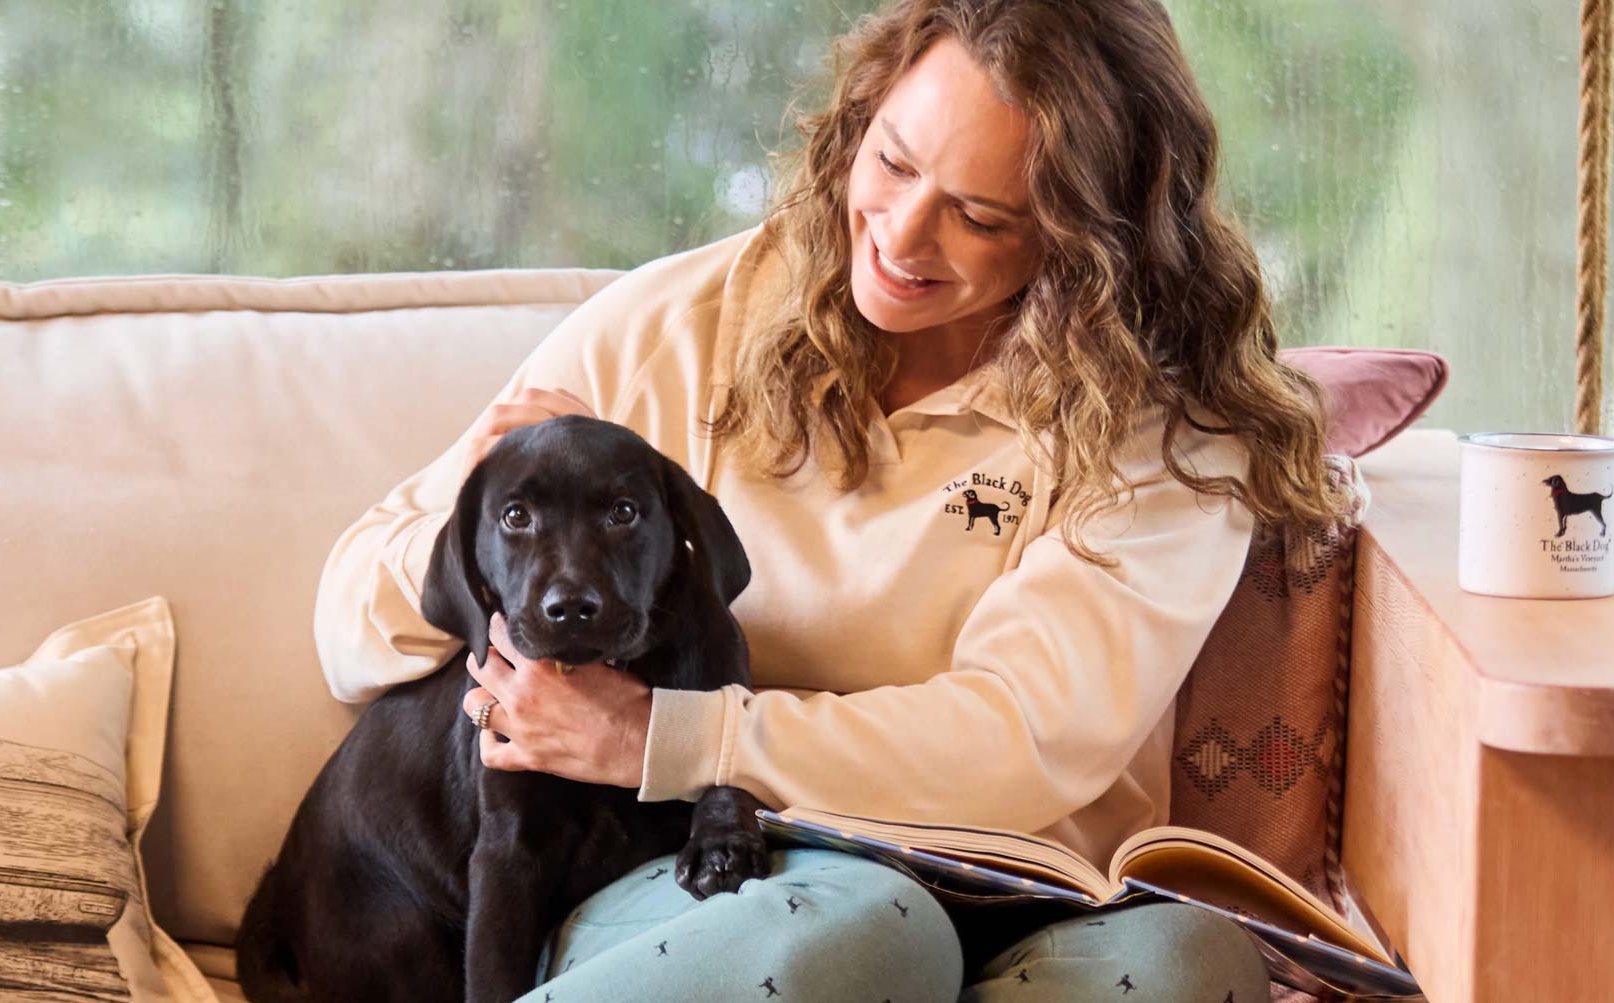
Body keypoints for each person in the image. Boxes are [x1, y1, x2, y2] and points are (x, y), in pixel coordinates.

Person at [314, 0, 1349, 998]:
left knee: (1190, 964)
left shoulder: (1167, 430)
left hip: (1012, 905)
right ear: (860, 118)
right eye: (892, 162)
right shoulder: (674, 327)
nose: (899, 235)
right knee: (860, 938)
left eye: (980, 216)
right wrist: (474, 510)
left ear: (1089, 241)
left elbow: (1022, 739)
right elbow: (348, 624)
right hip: (730, 887)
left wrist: (663, 736)